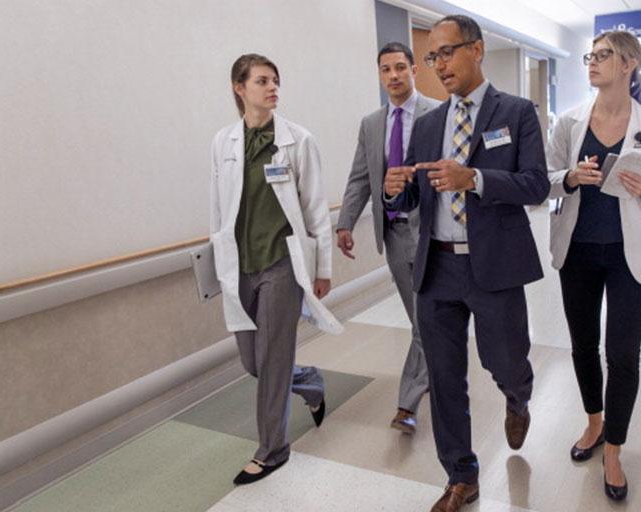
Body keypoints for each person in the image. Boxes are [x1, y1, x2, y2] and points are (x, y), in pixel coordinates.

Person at [384, 15, 550, 512]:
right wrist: (397, 190)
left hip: (494, 265)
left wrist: (474, 178)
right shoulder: (428, 124)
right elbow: (417, 194)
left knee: (506, 362)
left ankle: (517, 396)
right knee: (444, 377)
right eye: (432, 57)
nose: (439, 65)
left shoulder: (516, 113)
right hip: (437, 268)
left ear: (476, 50)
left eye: (447, 52)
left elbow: (536, 185)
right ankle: (462, 476)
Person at [545, 30, 641, 502]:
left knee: (623, 355)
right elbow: (545, 178)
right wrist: (569, 177)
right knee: (583, 345)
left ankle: (615, 450)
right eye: (591, 54)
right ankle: (594, 423)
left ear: (629, 64)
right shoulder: (569, 123)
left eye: (603, 55)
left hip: (630, 254)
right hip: (578, 251)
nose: (592, 61)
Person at [209, 53, 342, 485]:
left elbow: (315, 207)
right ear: (239, 87)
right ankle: (310, 382)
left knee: (271, 360)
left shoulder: (297, 141)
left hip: (282, 263)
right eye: (262, 81)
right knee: (254, 363)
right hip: (240, 266)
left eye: (275, 81)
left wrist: (323, 268)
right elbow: (217, 209)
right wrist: (215, 263)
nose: (273, 88)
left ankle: (272, 450)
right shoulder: (223, 142)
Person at [335, 41, 440, 434]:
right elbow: (360, 177)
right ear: (380, 75)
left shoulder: (438, 113)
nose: (393, 75)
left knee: (424, 320)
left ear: (414, 69)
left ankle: (407, 404)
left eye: (400, 67)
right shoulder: (371, 124)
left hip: (431, 232)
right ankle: (438, 371)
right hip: (394, 233)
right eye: (386, 69)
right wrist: (345, 223)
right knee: (421, 318)